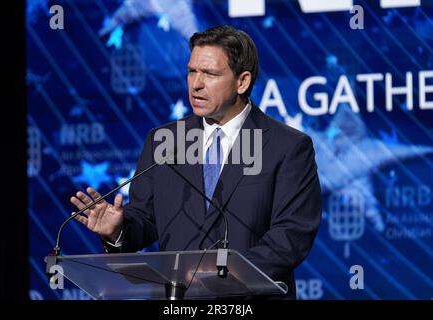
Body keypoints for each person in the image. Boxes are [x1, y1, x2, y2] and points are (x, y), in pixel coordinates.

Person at [70, 25, 322, 299]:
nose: (196, 84)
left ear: (242, 81)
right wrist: (118, 230)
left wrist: (226, 278)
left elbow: (291, 235)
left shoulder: (286, 146)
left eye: (210, 74)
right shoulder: (164, 141)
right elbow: (146, 217)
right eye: (192, 71)